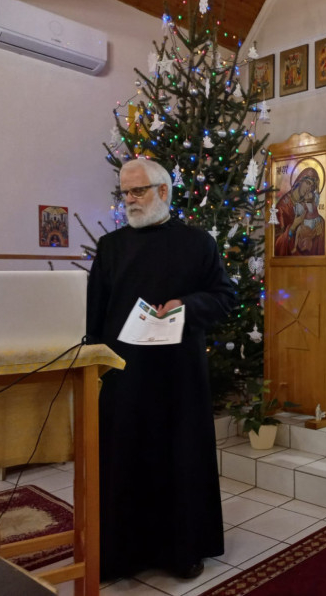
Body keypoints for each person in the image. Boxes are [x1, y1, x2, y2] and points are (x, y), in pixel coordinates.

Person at [86, 158, 236, 581]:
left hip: (178, 376)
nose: (129, 200)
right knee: (124, 460)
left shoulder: (198, 243)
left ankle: (182, 551)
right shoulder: (111, 247)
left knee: (179, 459)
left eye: (138, 191)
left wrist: (186, 304)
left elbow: (224, 296)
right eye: (124, 193)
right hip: (124, 375)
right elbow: (94, 313)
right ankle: (120, 555)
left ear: (164, 191)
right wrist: (92, 363)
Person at [273, 167, 326, 256]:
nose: (309, 188)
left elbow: (313, 217)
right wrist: (293, 226)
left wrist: (319, 226)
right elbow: (276, 243)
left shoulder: (308, 201)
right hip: (288, 258)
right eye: (307, 183)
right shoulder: (283, 207)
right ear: (300, 181)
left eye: (312, 186)